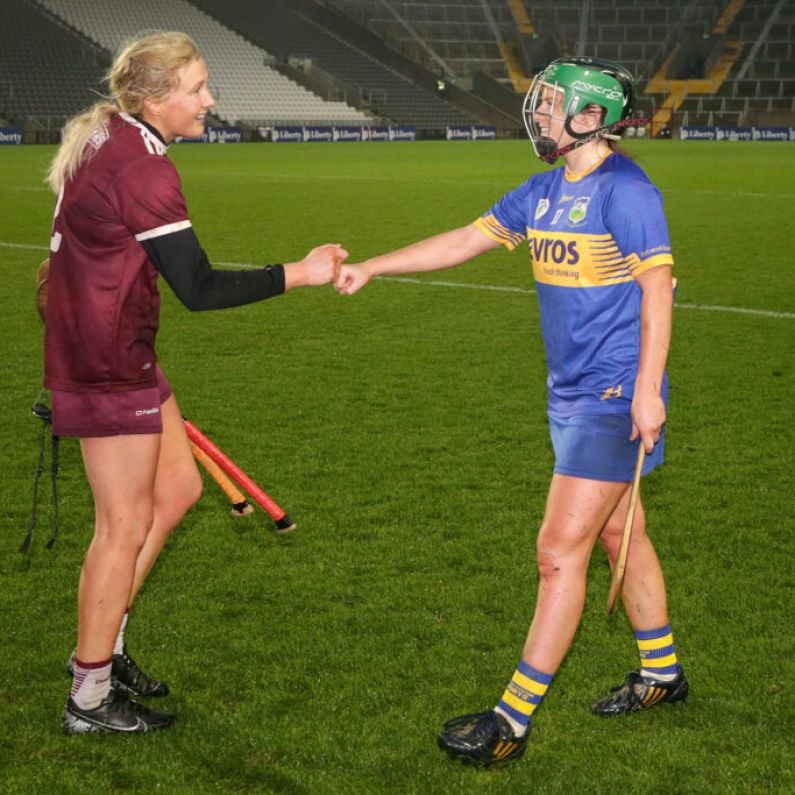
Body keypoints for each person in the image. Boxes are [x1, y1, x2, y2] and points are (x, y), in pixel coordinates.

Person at [335, 56, 687, 766]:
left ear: (591, 119)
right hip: (568, 391)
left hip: (613, 394)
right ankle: (661, 672)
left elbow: (658, 291)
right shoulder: (544, 190)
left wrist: (647, 388)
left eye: (553, 105)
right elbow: (464, 240)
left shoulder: (627, 191)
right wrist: (374, 264)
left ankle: (510, 720)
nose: (539, 114)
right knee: (620, 532)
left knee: (559, 552)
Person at [44, 31, 347, 734]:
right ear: (154, 99)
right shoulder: (142, 168)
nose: (210, 100)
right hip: (107, 359)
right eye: (197, 88)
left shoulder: (111, 138)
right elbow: (200, 288)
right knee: (121, 525)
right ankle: (87, 698)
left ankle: (104, 647)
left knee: (176, 491)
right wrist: (298, 273)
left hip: (115, 345)